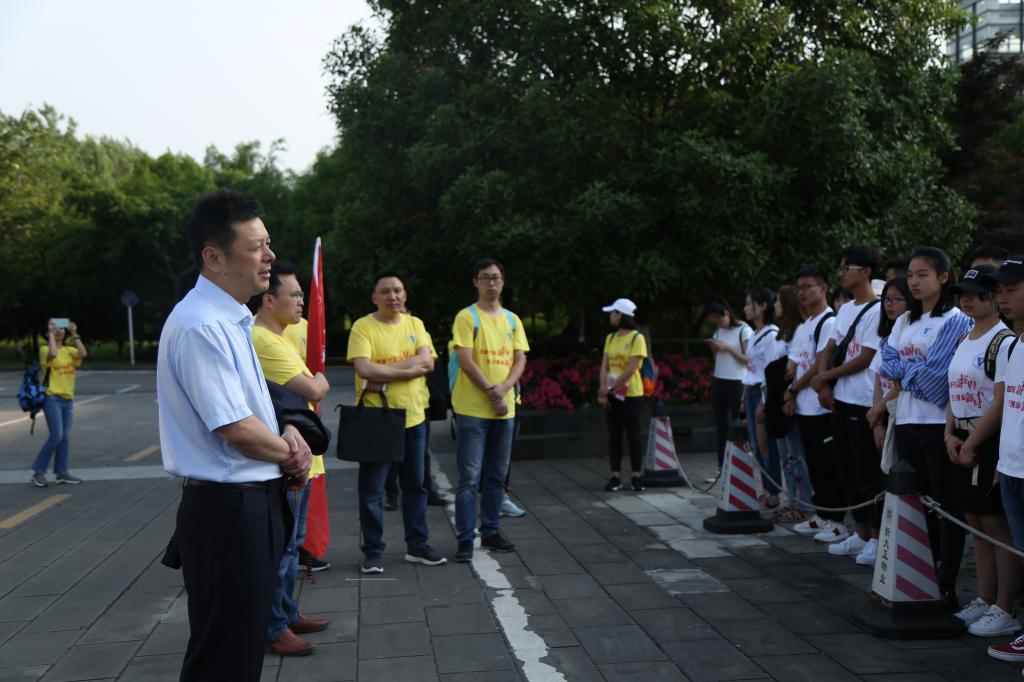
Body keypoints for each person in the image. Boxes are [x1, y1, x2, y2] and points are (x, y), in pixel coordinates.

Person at [158, 189, 313, 682]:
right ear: (214, 257)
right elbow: (236, 429)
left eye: (268, 243)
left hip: (247, 504)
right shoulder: (201, 325)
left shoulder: (231, 319)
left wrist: (288, 432)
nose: (270, 256)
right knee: (224, 659)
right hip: (228, 511)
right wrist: (292, 454)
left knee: (239, 652)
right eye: (256, 246)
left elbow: (254, 410)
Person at [879, 247, 972, 609]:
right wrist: (911, 373)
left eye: (923, 275)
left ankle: (945, 582)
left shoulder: (956, 320)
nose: (914, 282)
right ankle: (917, 575)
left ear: (943, 278)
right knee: (914, 502)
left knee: (945, 506)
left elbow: (937, 379)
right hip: (906, 421)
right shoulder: (905, 320)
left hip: (937, 424)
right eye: (911, 275)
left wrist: (907, 375)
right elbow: (888, 363)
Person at [248, 260, 332, 656]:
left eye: (302, 294)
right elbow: (313, 389)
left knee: (292, 547)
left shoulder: (281, 338)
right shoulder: (262, 339)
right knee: (281, 550)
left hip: (302, 457)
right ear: (268, 300)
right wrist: (320, 382)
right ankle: (273, 627)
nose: (301, 301)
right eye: (294, 295)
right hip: (287, 462)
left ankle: (286, 612)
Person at [347, 271, 445, 574]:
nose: (393, 296)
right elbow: (364, 369)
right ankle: (373, 551)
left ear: (405, 295)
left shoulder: (415, 324)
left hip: (415, 417)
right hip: (378, 418)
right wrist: (408, 370)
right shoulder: (363, 327)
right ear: (374, 297)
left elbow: (428, 362)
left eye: (398, 290)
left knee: (416, 485)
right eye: (386, 291)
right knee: (372, 491)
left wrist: (387, 375)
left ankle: (417, 545)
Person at [942, 265, 1020, 637]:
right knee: (975, 522)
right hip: (961, 437)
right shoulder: (965, 337)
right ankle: (985, 598)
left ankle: (1005, 606)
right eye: (963, 294)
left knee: (996, 527)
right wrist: (949, 435)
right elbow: (953, 390)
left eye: (975, 294)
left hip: (987, 441)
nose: (966, 300)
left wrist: (971, 443)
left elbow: (1001, 402)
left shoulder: (1003, 341)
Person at [452, 258, 529, 563]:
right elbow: (465, 359)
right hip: (473, 409)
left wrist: (505, 387)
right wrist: (491, 390)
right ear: (476, 282)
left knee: (497, 475)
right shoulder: (467, 317)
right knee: (469, 477)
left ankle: (491, 530)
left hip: (504, 410)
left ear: (503, 281)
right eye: (485, 278)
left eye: (496, 277)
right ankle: (465, 537)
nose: (491, 283)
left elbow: (520, 358)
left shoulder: (512, 320)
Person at [812, 246, 884, 550]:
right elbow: (829, 348)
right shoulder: (844, 310)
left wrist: (825, 376)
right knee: (846, 471)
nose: (841, 273)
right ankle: (861, 532)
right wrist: (824, 383)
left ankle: (877, 537)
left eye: (846, 268)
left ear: (866, 271)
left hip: (862, 400)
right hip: (840, 399)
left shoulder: (878, 310)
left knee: (867, 473)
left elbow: (865, 357)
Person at [786, 266, 846, 541]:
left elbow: (817, 364)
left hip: (821, 406)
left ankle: (837, 519)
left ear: (823, 288)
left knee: (828, 465)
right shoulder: (804, 325)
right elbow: (796, 362)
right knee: (814, 462)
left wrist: (793, 388)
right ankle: (821, 514)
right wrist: (791, 391)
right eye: (799, 288)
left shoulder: (829, 322)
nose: (802, 293)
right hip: (804, 406)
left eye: (807, 286)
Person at [861, 276, 912, 565]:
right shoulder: (885, 338)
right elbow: (879, 381)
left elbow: (901, 383)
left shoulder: (910, 336)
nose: (889, 305)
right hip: (884, 416)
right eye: (886, 300)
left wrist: (879, 410)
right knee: (880, 477)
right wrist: (877, 419)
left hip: (902, 415)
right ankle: (880, 539)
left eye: (896, 300)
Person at [761, 285, 814, 522]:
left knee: (796, 455)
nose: (775, 306)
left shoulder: (800, 331)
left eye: (778, 301)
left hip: (791, 399)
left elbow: (793, 368)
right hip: (775, 399)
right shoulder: (782, 332)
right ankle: (792, 501)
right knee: (786, 457)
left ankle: (804, 503)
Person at [597, 298, 649, 492]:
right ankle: (615, 476)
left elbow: (631, 368)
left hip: (631, 394)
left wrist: (610, 388)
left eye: (613, 313)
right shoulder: (610, 338)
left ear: (622, 315)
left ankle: (636, 475)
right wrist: (603, 389)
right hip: (612, 393)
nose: (611, 316)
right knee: (614, 434)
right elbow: (604, 366)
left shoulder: (637, 338)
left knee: (634, 435)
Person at [30, 319, 87, 487]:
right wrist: (50, 334)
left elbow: (83, 353)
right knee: (56, 436)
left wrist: (74, 333)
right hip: (52, 398)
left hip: (67, 399)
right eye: (55, 328)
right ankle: (38, 472)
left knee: (65, 437)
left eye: (61, 328)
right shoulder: (45, 349)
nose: (59, 330)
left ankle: (62, 472)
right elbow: (53, 354)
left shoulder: (69, 350)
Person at [740, 288, 781, 508]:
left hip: (763, 394)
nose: (746, 308)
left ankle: (774, 491)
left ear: (763, 306)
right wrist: (743, 398)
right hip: (751, 391)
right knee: (757, 446)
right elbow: (751, 368)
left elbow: (772, 371)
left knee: (767, 445)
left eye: (750, 303)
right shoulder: (756, 334)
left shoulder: (771, 334)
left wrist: (765, 402)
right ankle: (766, 488)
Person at [705, 298, 753, 474]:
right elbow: (718, 359)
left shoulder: (744, 330)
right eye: (714, 321)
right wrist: (715, 350)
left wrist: (728, 348)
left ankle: (741, 465)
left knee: (738, 423)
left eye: (718, 319)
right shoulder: (719, 331)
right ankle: (721, 466)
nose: (717, 324)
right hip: (720, 380)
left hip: (738, 381)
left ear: (726, 314)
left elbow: (750, 360)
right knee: (721, 424)